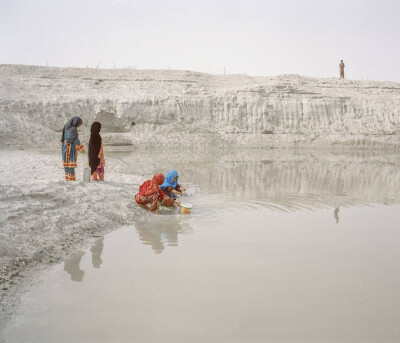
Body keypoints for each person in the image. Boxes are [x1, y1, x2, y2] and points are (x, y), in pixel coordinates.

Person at [61, 116, 85, 181]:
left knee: (66, 163)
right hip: (71, 148)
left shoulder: (66, 126)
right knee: (71, 164)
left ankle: (67, 177)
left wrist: (64, 144)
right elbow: (75, 140)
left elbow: (62, 138)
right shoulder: (74, 129)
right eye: (78, 124)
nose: (78, 126)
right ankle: (71, 178)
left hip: (65, 147)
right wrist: (82, 149)